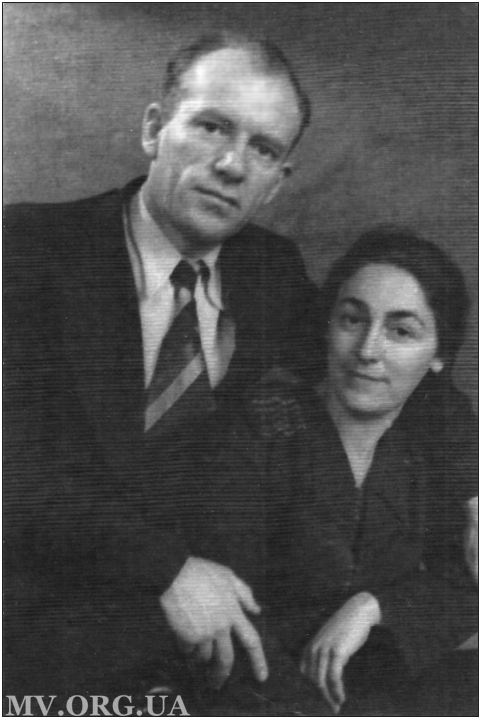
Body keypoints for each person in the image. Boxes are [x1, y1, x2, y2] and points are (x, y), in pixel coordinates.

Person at [3, 31, 322, 699]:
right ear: (154, 128)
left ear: (276, 184)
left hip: (204, 639)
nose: (232, 165)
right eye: (212, 126)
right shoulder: (26, 249)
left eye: (263, 149)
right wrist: (167, 568)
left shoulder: (273, 273)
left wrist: (473, 484)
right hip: (35, 626)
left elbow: (380, 367)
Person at [190, 226, 477, 715]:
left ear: (439, 358)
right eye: (351, 320)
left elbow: (463, 584)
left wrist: (373, 606)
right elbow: (229, 626)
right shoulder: (253, 435)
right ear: (326, 327)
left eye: (401, 331)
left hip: (380, 692)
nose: (367, 350)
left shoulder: (427, 449)